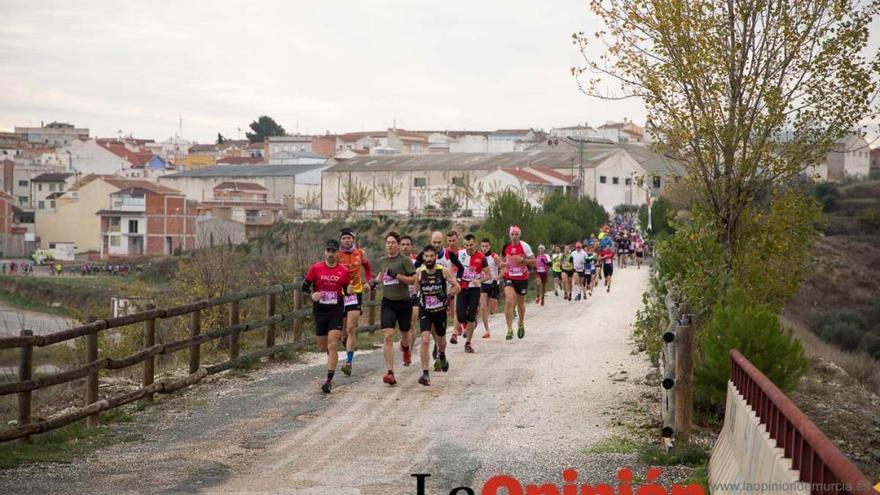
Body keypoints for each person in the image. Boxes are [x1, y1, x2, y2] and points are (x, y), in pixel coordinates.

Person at [302, 240, 352, 394]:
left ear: (338, 253)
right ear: (325, 252)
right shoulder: (316, 268)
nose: (331, 254)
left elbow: (346, 289)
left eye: (333, 251)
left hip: (336, 311)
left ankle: (328, 380)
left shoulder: (343, 271)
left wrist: (349, 290)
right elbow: (304, 287)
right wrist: (312, 295)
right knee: (323, 347)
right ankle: (333, 359)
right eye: (328, 251)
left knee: (333, 344)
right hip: (320, 311)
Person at [413, 245, 460, 385]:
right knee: (425, 340)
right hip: (425, 311)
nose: (428, 259)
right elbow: (415, 292)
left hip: (440, 312)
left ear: (435, 256)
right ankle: (425, 374)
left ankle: (443, 355)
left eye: (431, 256)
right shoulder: (419, 272)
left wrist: (446, 294)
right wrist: (415, 303)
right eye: (426, 256)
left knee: (441, 341)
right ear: (423, 257)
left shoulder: (444, 271)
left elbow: (457, 287)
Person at [374, 231, 416, 386]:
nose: (390, 245)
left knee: (405, 334)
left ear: (398, 245)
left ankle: (405, 348)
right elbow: (382, 275)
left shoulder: (404, 260)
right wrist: (374, 282)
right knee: (388, 336)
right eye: (388, 242)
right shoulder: (382, 260)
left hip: (404, 302)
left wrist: (397, 276)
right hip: (388, 302)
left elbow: (413, 280)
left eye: (393, 242)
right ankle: (390, 372)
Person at [337, 228, 373, 377]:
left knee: (352, 328)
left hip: (355, 293)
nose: (346, 240)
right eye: (344, 238)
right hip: (340, 294)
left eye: (349, 238)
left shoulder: (360, 253)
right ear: (341, 240)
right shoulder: (336, 254)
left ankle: (348, 363)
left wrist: (368, 282)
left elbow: (368, 268)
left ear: (353, 239)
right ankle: (345, 340)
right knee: (344, 332)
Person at [500, 225, 534, 340]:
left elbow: (534, 262)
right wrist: (502, 265)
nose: (514, 237)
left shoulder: (525, 246)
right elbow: (502, 261)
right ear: (509, 235)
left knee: (520, 304)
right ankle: (509, 329)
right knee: (509, 301)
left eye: (516, 234)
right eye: (512, 234)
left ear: (520, 235)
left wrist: (524, 260)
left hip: (522, 278)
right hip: (509, 277)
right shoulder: (506, 246)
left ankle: (521, 323)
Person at [457, 234, 490, 353]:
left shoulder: (481, 257)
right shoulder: (460, 254)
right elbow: (453, 268)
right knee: (460, 316)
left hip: (474, 289)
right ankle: (470, 323)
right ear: (463, 245)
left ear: (475, 243)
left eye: (471, 245)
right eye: (466, 245)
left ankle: (468, 343)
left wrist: (479, 280)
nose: (469, 247)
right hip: (462, 288)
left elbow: (488, 275)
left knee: (471, 315)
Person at [400, 235, 419, 366]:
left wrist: (416, 292)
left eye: (408, 244)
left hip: (414, 296)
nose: (405, 247)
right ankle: (404, 343)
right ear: (400, 246)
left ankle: (409, 353)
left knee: (412, 324)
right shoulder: (396, 260)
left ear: (411, 246)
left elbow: (419, 277)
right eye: (403, 244)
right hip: (400, 296)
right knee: (403, 328)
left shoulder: (417, 261)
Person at [479, 238, 500, 339]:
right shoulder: (478, 257)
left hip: (493, 284)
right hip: (483, 283)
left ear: (490, 246)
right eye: (482, 246)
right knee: (483, 307)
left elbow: (503, 268)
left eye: (486, 246)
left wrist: (498, 278)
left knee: (492, 310)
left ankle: (512, 312)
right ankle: (487, 330)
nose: (484, 248)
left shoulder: (494, 256)